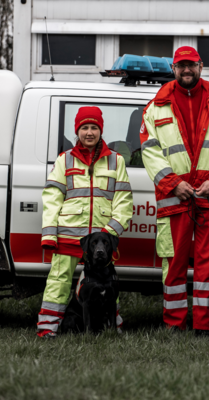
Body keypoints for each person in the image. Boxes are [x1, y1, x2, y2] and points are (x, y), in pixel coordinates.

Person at [140, 46, 209, 337]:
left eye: (192, 65)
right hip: (175, 198)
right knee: (172, 266)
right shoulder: (155, 106)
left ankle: (205, 326)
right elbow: (150, 151)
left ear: (201, 66)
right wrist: (173, 183)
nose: (187, 70)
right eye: (181, 65)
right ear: (173, 69)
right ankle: (174, 324)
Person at [37, 106, 133, 338]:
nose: (89, 132)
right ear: (77, 131)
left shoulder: (116, 161)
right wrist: (49, 235)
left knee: (109, 285)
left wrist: (110, 235)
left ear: (100, 130)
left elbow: (124, 200)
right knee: (58, 283)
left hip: (100, 241)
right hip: (68, 235)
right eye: (84, 127)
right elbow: (52, 198)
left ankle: (113, 329)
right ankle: (47, 329)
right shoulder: (64, 160)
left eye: (94, 127)